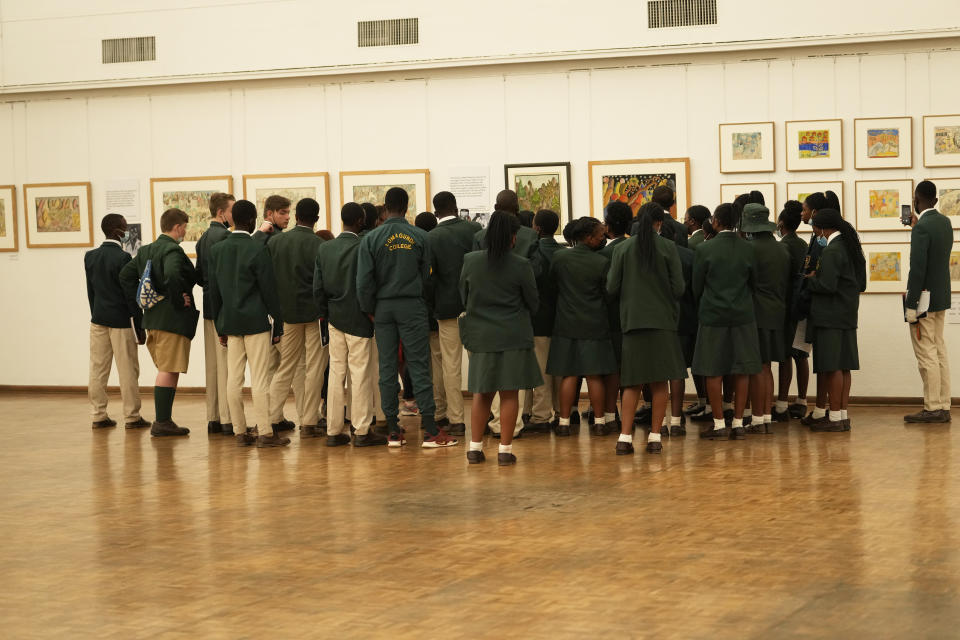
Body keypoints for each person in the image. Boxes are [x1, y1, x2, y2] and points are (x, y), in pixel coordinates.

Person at [357, 187, 458, 448]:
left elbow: (364, 281)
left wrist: (371, 308)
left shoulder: (371, 238)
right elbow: (428, 276)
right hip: (412, 305)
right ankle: (431, 431)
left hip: (383, 308)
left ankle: (392, 430)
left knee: (387, 368)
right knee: (420, 365)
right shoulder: (420, 236)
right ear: (406, 206)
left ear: (386, 207)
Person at [460, 212, 542, 465]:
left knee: (481, 394)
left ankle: (474, 448)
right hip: (513, 335)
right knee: (509, 395)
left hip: (481, 336)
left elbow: (463, 297)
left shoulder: (470, 261)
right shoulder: (521, 264)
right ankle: (504, 450)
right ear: (513, 237)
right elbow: (533, 302)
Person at [208, 200, 289, 447]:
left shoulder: (218, 250)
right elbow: (269, 291)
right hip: (255, 321)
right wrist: (279, 323)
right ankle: (265, 432)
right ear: (254, 220)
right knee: (261, 379)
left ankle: (239, 431)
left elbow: (215, 292)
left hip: (230, 322)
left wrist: (219, 325)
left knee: (234, 379)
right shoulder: (257, 249)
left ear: (232, 220)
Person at [607, 202, 686, 454]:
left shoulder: (623, 248)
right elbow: (679, 288)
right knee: (659, 382)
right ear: (659, 223)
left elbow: (611, 287)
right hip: (662, 322)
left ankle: (624, 438)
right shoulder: (668, 247)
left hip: (632, 322)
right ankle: (654, 438)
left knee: (632, 383)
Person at [119, 208, 199, 437]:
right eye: (184, 227)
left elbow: (126, 275)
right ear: (178, 227)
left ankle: (165, 420)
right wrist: (176, 298)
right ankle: (162, 421)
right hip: (170, 319)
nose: (185, 231)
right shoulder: (172, 250)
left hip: (152, 317)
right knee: (168, 369)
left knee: (168, 367)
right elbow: (174, 275)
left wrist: (144, 299)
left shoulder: (146, 250)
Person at [315, 203, 387, 447]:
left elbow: (318, 287)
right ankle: (362, 430)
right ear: (360, 221)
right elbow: (366, 285)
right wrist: (370, 313)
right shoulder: (362, 247)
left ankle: (333, 430)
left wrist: (326, 314)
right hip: (359, 318)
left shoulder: (325, 248)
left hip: (334, 317)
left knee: (336, 373)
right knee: (360, 373)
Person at [474, 190, 542, 438]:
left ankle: (482, 438)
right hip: (516, 318)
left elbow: (469, 288)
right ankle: (511, 432)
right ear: (518, 208)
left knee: (485, 387)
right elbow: (536, 276)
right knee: (512, 386)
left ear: (494, 206)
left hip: (483, 321)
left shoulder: (479, 237)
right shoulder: (530, 237)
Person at [691, 203, 761, 440]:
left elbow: (696, 287)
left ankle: (719, 423)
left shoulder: (704, 249)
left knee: (713, 370)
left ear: (716, 221)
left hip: (713, 315)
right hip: (743, 315)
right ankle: (739, 423)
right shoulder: (749, 249)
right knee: (742, 370)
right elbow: (754, 284)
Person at [546, 217, 617, 437]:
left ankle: (564, 423)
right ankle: (599, 422)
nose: (602, 238)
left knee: (569, 375)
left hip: (566, 323)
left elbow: (552, 287)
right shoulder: (601, 262)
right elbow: (608, 294)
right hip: (595, 323)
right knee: (594, 375)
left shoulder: (559, 258)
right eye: (599, 235)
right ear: (587, 238)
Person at [267, 198, 329, 440]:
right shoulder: (319, 244)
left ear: (295, 216)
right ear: (316, 218)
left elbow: (270, 277)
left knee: (286, 367)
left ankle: (271, 417)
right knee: (315, 367)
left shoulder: (276, 242)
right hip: (315, 314)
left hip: (287, 314)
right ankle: (309, 421)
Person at [85, 214, 149, 430]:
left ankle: (98, 415)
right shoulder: (123, 259)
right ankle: (132, 416)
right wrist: (139, 325)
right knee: (128, 370)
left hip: (98, 319)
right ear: (115, 231)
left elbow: (91, 293)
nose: (126, 231)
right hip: (121, 321)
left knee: (97, 370)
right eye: (124, 227)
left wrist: (96, 313)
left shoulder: (90, 256)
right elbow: (130, 296)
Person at [805, 208, 866, 432]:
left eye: (814, 229)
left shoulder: (832, 251)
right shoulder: (852, 248)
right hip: (847, 314)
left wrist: (810, 279)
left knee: (832, 367)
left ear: (821, 228)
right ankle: (841, 415)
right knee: (844, 366)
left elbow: (827, 285)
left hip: (829, 315)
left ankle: (834, 420)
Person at [427, 192, 481, 437]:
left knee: (450, 365)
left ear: (436, 212)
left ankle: (457, 420)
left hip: (446, 308)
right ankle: (487, 415)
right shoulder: (474, 230)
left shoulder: (431, 237)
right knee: (480, 362)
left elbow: (429, 278)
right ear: (456, 207)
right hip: (476, 306)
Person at [904, 180, 954, 423]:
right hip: (942, 296)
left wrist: (911, 304)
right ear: (934, 200)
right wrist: (917, 226)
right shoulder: (945, 223)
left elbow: (918, 269)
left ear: (916, 200)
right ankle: (943, 404)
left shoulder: (921, 228)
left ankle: (932, 406)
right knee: (939, 350)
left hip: (923, 299)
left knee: (926, 354)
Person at [740, 203, 791, 434]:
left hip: (756, 311)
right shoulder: (782, 249)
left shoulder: (749, 249)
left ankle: (759, 418)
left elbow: (745, 281)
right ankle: (767, 415)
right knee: (767, 366)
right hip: (777, 311)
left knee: (757, 367)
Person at [195, 192, 235, 434]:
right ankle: (228, 419)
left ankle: (213, 417)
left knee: (212, 365)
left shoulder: (203, 238)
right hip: (222, 308)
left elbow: (199, 276)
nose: (234, 215)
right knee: (226, 365)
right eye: (231, 211)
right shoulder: (224, 237)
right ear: (222, 213)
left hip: (208, 305)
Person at [524, 209, 564, 432]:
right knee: (557, 369)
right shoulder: (562, 251)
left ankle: (540, 416)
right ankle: (560, 410)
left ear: (536, 228)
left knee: (540, 369)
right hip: (560, 317)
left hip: (538, 317)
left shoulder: (533, 253)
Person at [658, 210, 696, 436]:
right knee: (678, 371)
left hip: (661, 317)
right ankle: (676, 419)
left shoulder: (655, 254)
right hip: (686, 317)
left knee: (659, 371)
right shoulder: (690, 256)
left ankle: (660, 420)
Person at [598, 201, 633, 429]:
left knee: (613, 368)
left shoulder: (605, 253)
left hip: (611, 316)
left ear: (608, 226)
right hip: (634, 314)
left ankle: (611, 414)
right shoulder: (635, 247)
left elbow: (606, 288)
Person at [774, 200, 809, 421]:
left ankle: (781, 403)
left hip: (787, 305)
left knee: (786, 354)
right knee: (801, 354)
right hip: (804, 304)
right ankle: (803, 400)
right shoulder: (804, 244)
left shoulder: (783, 247)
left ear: (781, 224)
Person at [796, 193, 830, 424]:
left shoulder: (824, 241)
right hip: (810, 300)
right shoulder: (813, 237)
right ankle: (818, 407)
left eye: (805, 209)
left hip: (817, 303)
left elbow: (820, 273)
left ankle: (822, 408)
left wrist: (809, 280)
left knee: (824, 360)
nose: (802, 214)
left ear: (815, 212)